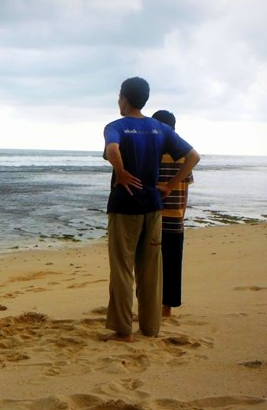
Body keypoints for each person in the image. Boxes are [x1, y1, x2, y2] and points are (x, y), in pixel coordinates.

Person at [103, 77, 200, 340]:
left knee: (123, 269)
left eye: (119, 96)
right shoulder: (161, 129)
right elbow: (193, 156)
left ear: (124, 98)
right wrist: (170, 186)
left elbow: (112, 149)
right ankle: (150, 327)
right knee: (150, 271)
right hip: (154, 207)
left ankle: (123, 329)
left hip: (124, 206)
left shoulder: (116, 126)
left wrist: (121, 173)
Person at [152, 110, 194, 318]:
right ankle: (166, 309)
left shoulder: (153, 154)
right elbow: (185, 189)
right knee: (172, 266)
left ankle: (149, 307)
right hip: (176, 218)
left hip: (154, 219)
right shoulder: (184, 155)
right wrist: (182, 216)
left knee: (150, 266)